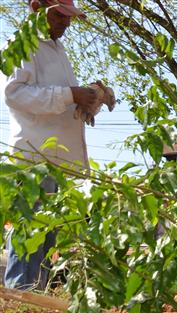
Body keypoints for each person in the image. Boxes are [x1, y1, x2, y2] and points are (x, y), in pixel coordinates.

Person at [3, 0, 97, 290]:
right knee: (30, 234)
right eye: (59, 14)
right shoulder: (22, 44)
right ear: (36, 8)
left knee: (50, 239)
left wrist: (87, 102)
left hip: (59, 164)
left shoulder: (56, 50)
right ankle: (19, 304)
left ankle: (35, 307)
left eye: (68, 16)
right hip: (35, 162)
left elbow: (58, 99)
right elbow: (15, 94)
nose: (66, 22)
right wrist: (71, 95)